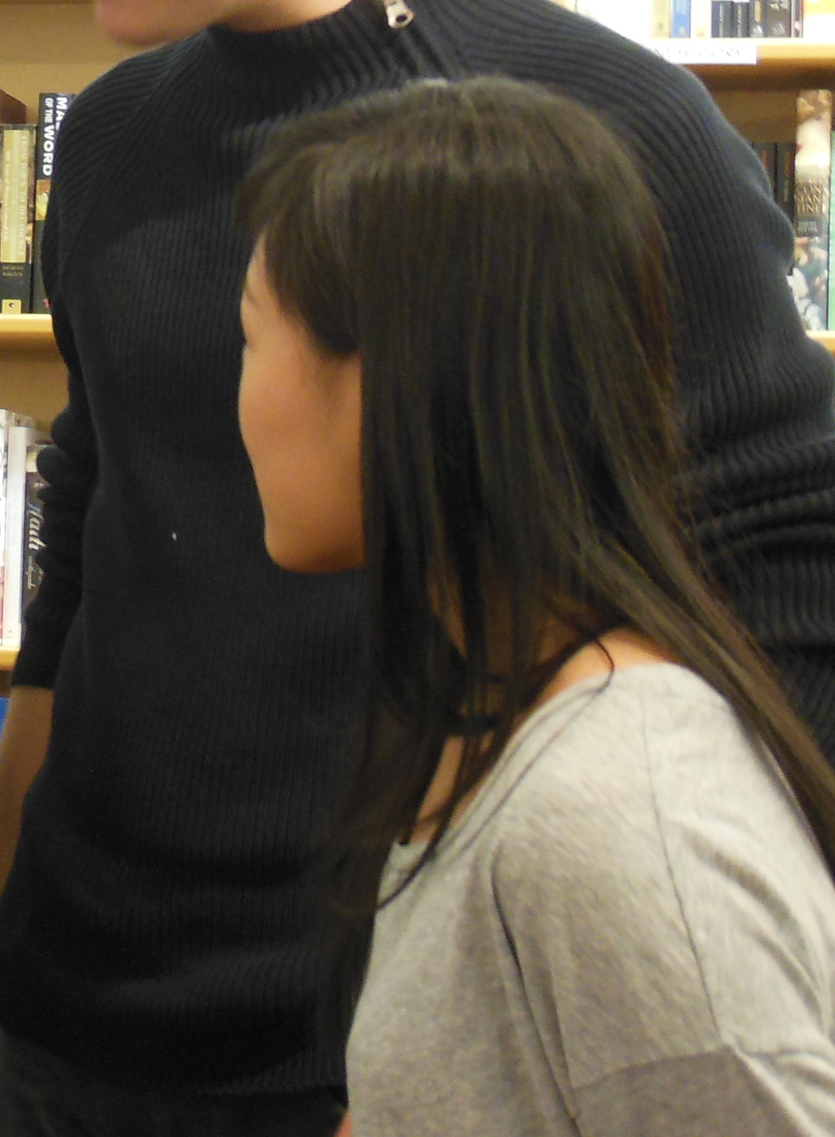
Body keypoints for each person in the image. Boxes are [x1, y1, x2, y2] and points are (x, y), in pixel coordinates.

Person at [0, 0, 835, 1137]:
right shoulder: (116, 139)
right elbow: (87, 587)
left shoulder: (597, 135)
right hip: (74, 1024)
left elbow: (788, 608)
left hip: (387, 1052)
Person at [239, 76, 835, 1136]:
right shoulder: (489, 716)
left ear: (391, 379)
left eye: (251, 337)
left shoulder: (611, 816)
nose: (236, 395)